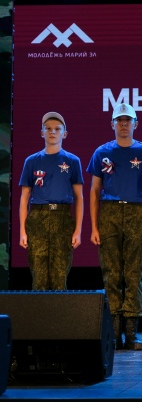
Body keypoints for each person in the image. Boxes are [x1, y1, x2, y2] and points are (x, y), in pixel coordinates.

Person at [87, 103, 142, 351]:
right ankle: (113, 333)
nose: (123, 124)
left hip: (136, 213)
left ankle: (131, 334)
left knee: (133, 274)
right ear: (112, 124)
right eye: (119, 120)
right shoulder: (101, 152)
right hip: (109, 213)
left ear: (135, 124)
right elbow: (94, 191)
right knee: (111, 274)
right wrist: (94, 226)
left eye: (127, 120)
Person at [19, 112, 83, 290]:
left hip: (62, 218)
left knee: (59, 276)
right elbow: (24, 198)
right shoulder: (31, 161)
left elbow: (79, 197)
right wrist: (22, 231)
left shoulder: (72, 161)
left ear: (65, 133)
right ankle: (38, 309)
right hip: (37, 218)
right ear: (42, 133)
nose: (52, 132)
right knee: (38, 277)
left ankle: (58, 309)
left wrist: (78, 230)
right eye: (48, 129)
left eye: (57, 129)